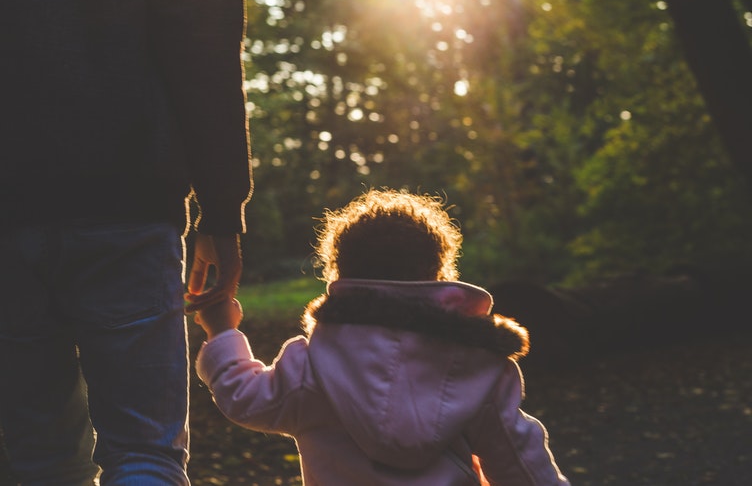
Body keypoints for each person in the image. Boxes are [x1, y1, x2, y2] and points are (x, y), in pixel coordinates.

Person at [0, 0, 252, 484]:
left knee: (43, 460)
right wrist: (221, 212)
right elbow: (205, 54)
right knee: (144, 454)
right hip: (127, 203)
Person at [194, 189, 570, 485]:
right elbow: (519, 461)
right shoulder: (476, 365)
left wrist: (223, 330)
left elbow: (245, 397)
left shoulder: (311, 366)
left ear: (339, 274)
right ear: (438, 274)